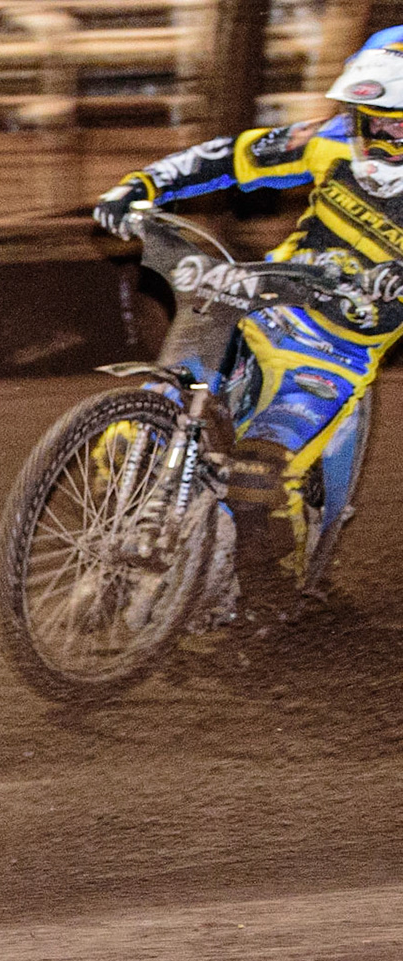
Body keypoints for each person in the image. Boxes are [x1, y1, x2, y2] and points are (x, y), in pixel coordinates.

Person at [93, 27, 403, 588]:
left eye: (399, 125)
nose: (381, 135)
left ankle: (269, 595)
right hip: (263, 303)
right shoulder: (329, 139)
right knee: (132, 433)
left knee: (257, 476)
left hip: (336, 350)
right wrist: (142, 185)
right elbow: (229, 157)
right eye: (373, 119)